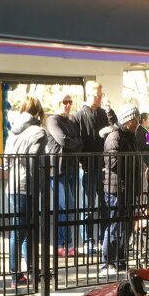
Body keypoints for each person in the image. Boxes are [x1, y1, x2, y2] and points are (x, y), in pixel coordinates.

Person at [4, 97, 47, 286]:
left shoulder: (12, 132)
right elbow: (33, 161)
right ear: (38, 112)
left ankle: (19, 274)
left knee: (19, 231)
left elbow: (6, 161)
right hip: (28, 186)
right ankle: (26, 273)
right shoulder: (38, 131)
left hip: (12, 185)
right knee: (27, 232)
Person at [101, 103, 141, 273]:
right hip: (116, 189)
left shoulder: (130, 136)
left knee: (125, 227)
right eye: (135, 119)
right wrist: (133, 164)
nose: (137, 123)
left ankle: (120, 260)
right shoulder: (115, 136)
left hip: (127, 188)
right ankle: (107, 261)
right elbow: (112, 162)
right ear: (127, 120)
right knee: (115, 226)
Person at [73, 81, 112, 255]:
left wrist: (110, 111)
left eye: (101, 94)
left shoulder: (104, 114)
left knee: (104, 205)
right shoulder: (79, 115)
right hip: (87, 167)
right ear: (90, 94)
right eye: (98, 95)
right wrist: (82, 160)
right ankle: (88, 240)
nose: (100, 97)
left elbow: (114, 128)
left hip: (102, 167)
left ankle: (104, 238)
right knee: (88, 206)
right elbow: (77, 141)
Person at [45, 94, 83, 257]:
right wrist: (73, 142)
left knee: (64, 209)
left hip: (72, 169)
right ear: (58, 103)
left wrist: (73, 143)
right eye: (64, 102)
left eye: (70, 102)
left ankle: (65, 245)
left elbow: (80, 142)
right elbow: (63, 140)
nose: (67, 105)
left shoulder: (72, 121)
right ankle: (64, 243)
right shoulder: (52, 120)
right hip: (58, 170)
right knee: (68, 205)